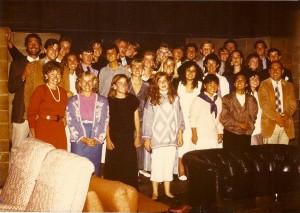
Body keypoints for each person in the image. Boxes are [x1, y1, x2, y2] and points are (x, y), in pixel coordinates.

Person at [143, 72, 184, 200]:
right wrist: (147, 138)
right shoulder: (152, 100)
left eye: (165, 81)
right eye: (159, 81)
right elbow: (147, 119)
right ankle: (155, 191)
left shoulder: (175, 98)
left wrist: (180, 134)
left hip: (171, 137)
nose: (163, 83)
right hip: (157, 138)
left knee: (169, 163)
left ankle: (167, 191)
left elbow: (180, 117)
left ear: (169, 82)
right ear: (156, 84)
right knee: (157, 164)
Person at [7, 32, 42, 164]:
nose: (33, 45)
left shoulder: (43, 64)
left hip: (39, 115)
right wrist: (23, 75)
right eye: (30, 43)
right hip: (21, 113)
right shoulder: (17, 64)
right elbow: (11, 88)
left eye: (36, 43)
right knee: (17, 149)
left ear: (40, 46)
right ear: (26, 46)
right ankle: (12, 182)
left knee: (36, 150)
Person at [66, 71, 109, 177]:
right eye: (84, 81)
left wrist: (96, 139)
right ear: (79, 83)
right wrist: (82, 138)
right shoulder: (72, 100)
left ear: (94, 83)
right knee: (78, 168)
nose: (87, 84)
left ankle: (93, 191)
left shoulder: (103, 100)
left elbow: (104, 120)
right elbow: (72, 120)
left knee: (93, 169)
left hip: (95, 137)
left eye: (90, 81)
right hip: (79, 138)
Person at [104, 74, 141, 189]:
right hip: (114, 139)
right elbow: (107, 122)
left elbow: (136, 119)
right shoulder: (109, 101)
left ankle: (130, 193)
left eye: (125, 83)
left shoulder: (132, 100)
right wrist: (108, 139)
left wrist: (138, 136)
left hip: (128, 139)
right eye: (120, 83)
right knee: (114, 168)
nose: (123, 85)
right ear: (114, 86)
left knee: (129, 167)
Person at [27, 61, 68, 149]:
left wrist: (66, 118)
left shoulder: (63, 92)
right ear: (46, 75)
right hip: (43, 128)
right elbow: (31, 114)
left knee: (60, 156)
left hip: (59, 129)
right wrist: (34, 135)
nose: (55, 77)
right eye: (52, 74)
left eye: (58, 74)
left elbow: (67, 110)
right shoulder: (40, 90)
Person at [258, 61, 297, 144]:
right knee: (270, 154)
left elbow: (293, 104)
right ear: (269, 71)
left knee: (284, 153)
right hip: (270, 124)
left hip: (285, 123)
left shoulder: (289, 85)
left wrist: (285, 116)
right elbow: (263, 105)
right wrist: (277, 118)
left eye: (278, 69)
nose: (275, 71)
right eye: (272, 69)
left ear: (282, 71)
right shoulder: (263, 84)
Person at [176, 61, 202, 181]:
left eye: (193, 70)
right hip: (181, 119)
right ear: (183, 71)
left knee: (194, 146)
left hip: (196, 120)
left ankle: (193, 171)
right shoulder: (178, 84)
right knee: (182, 146)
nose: (190, 73)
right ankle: (181, 171)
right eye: (188, 70)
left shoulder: (201, 85)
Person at [23, 38, 60, 121]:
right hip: (37, 113)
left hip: (54, 114)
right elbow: (28, 91)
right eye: (51, 49)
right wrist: (31, 113)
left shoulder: (61, 68)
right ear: (45, 50)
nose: (54, 52)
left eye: (56, 49)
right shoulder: (34, 65)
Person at [220, 72, 258, 151]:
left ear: (246, 84)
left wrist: (247, 128)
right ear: (234, 84)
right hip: (230, 135)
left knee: (244, 160)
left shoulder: (251, 99)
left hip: (245, 135)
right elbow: (224, 118)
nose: (239, 82)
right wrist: (239, 124)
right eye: (237, 80)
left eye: (242, 80)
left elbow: (253, 117)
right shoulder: (227, 98)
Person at [128, 59, 151, 178]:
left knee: (139, 145)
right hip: (126, 120)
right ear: (130, 68)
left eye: (140, 67)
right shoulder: (125, 84)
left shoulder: (147, 86)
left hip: (142, 120)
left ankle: (138, 170)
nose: (137, 69)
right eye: (134, 66)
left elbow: (150, 105)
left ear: (143, 70)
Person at [190, 74, 223, 150]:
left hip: (213, 134)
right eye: (210, 84)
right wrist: (194, 134)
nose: (213, 87)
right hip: (201, 134)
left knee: (212, 158)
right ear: (204, 86)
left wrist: (220, 132)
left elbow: (219, 117)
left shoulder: (218, 100)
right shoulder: (198, 99)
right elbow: (193, 118)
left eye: (215, 84)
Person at [246, 72, 263, 145]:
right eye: (253, 78)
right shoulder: (245, 94)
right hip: (249, 131)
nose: (255, 80)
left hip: (259, 129)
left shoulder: (258, 94)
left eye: (257, 79)